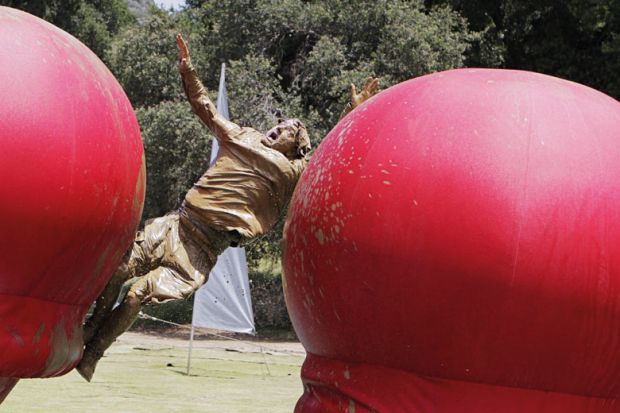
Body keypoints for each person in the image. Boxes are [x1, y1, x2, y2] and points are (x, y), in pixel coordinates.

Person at [76, 33, 379, 381]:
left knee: (137, 295)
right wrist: (187, 70)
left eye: (287, 130)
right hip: (176, 225)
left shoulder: (295, 170)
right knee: (119, 269)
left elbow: (328, 154)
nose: (277, 128)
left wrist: (350, 114)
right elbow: (204, 106)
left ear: (297, 147)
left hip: (201, 251)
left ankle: (94, 354)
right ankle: (87, 331)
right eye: (278, 124)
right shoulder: (240, 136)